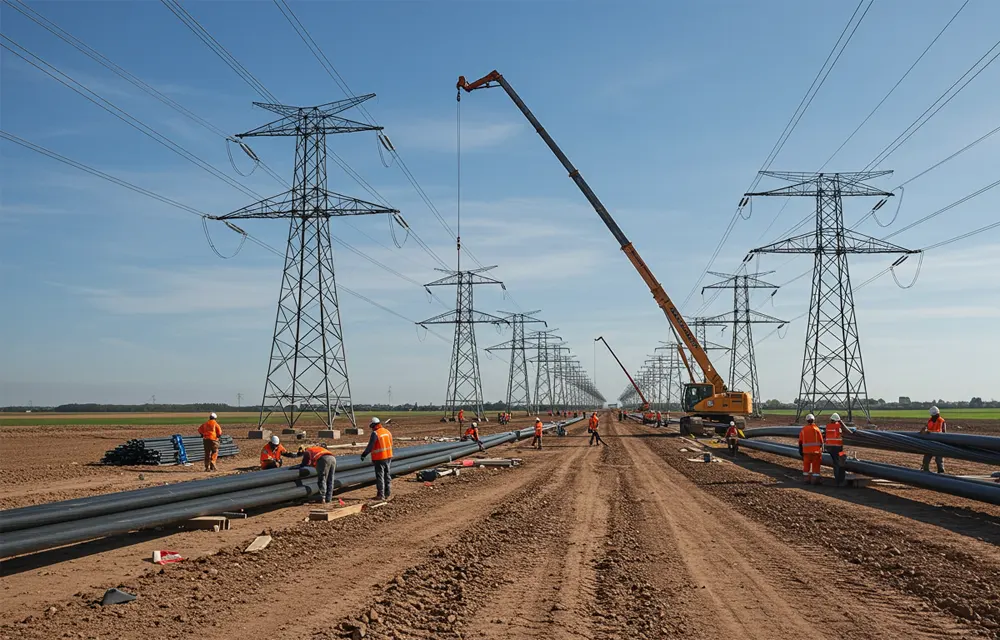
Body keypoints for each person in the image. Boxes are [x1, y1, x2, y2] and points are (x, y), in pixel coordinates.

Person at [361, 417, 394, 501]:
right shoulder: (387, 432)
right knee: (387, 475)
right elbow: (391, 443)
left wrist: (364, 454)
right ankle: (387, 493)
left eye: (372, 426)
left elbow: (370, 446)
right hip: (389, 456)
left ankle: (380, 495)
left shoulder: (375, 433)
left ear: (374, 425)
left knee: (380, 476)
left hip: (380, 458)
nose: (372, 429)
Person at [798, 413, 825, 485]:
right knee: (816, 467)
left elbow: (800, 442)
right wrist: (822, 449)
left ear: (807, 421)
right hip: (816, 452)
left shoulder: (803, 430)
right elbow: (822, 441)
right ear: (813, 420)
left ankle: (806, 480)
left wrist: (800, 450)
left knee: (806, 466)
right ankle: (815, 481)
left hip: (806, 452)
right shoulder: (817, 429)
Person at [921, 406, 947, 473]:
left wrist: (929, 432)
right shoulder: (930, 420)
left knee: (939, 459)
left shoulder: (941, 421)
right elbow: (926, 428)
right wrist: (924, 430)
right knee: (926, 458)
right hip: (930, 442)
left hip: (939, 442)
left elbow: (941, 432)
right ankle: (925, 471)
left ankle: (941, 472)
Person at [825, 413, 849, 486]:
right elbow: (848, 432)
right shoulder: (838, 427)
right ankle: (839, 481)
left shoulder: (828, 427)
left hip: (830, 448)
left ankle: (838, 479)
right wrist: (841, 422)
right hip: (837, 448)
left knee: (837, 463)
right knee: (840, 462)